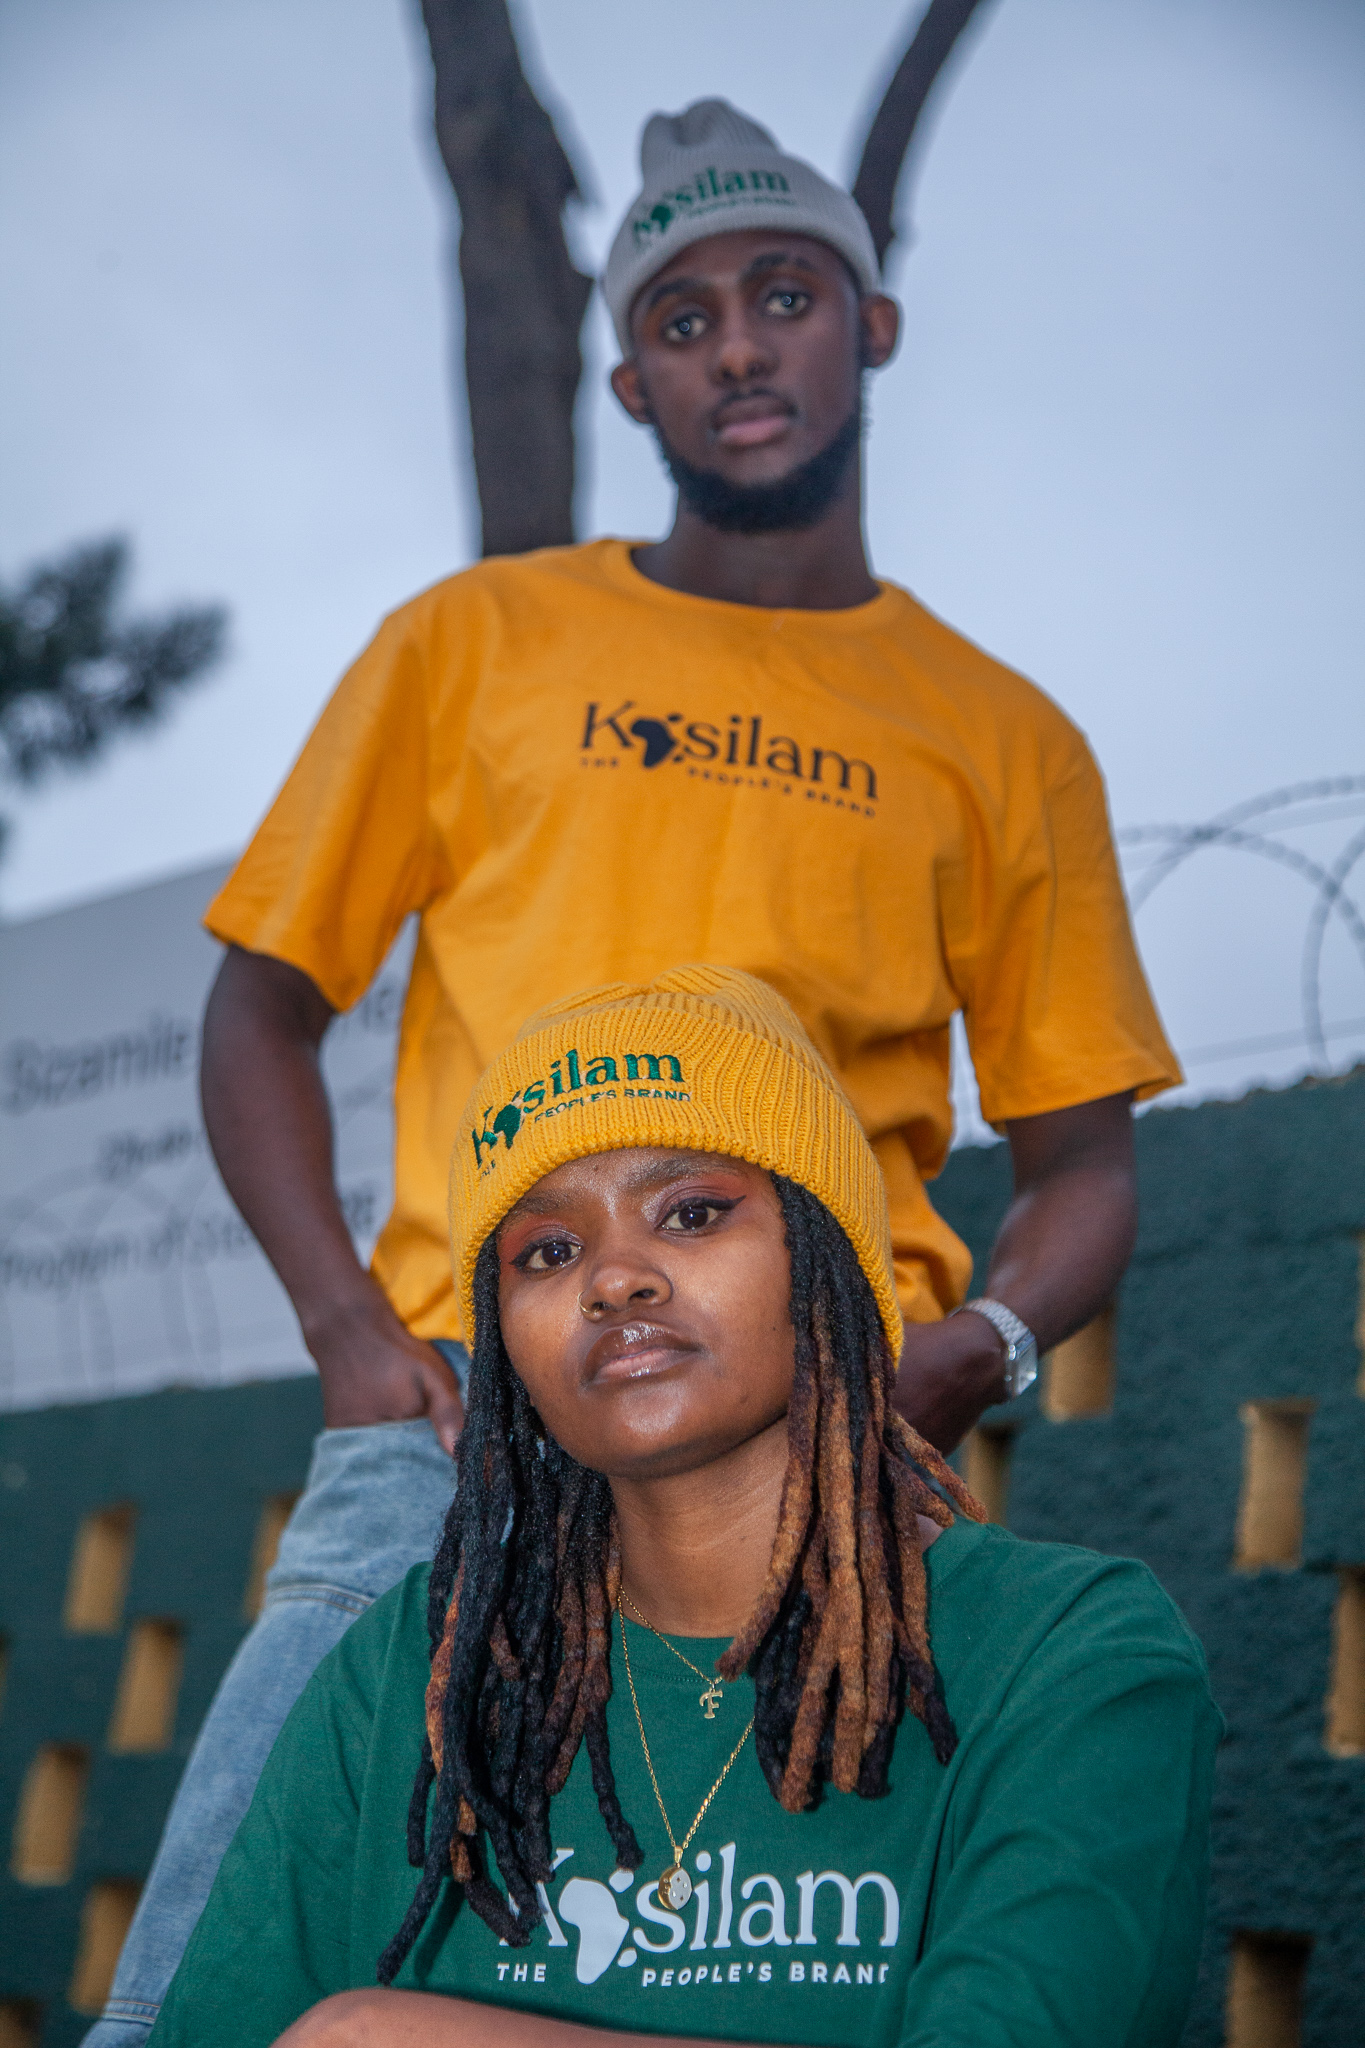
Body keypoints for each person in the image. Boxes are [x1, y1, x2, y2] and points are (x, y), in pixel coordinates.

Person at [87, 98, 1181, 2047]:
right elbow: (260, 1010)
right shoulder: (473, 642)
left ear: (874, 324)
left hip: (829, 1460)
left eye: (785, 295)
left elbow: (1081, 1160)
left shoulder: (1002, 736)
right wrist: (351, 1330)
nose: (737, 347)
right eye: (682, 318)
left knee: (854, 1984)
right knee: (193, 2003)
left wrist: (969, 1349)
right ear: (628, 381)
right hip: (447, 1443)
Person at [146, 969, 1219, 2048]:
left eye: (693, 1213)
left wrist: (387, 2036)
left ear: (829, 1257)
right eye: (548, 1251)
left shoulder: (1071, 1650)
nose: (615, 1279)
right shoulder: (407, 1671)